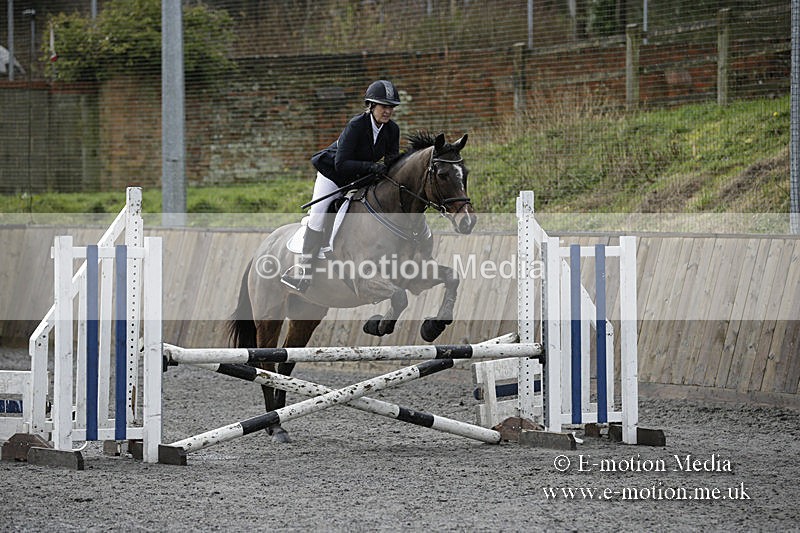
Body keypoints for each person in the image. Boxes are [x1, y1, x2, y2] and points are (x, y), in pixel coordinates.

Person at [281, 80, 402, 292]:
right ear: (372, 105)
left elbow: (392, 161)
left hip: (361, 177)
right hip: (334, 175)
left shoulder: (392, 130)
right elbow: (341, 163)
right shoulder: (357, 125)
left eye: (391, 107)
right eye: (384, 106)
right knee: (319, 215)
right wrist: (372, 167)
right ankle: (303, 271)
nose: (388, 111)